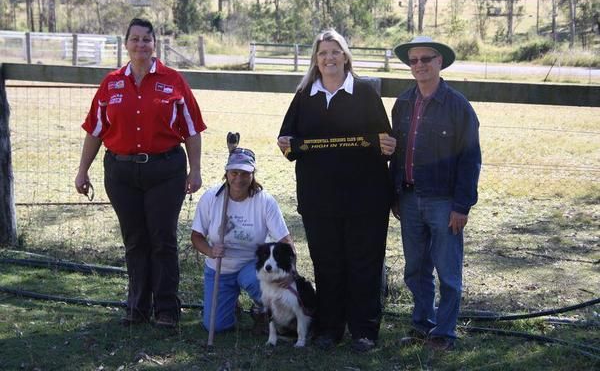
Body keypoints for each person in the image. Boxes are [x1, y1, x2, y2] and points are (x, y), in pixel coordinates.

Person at [74, 18, 206, 328]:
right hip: (121, 173)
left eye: (146, 39)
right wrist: (83, 170)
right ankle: (137, 307)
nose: (140, 44)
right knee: (134, 240)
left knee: (162, 239)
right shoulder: (111, 84)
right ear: (126, 44)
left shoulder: (174, 81)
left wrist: (195, 170)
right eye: (134, 39)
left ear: (154, 44)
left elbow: (192, 130)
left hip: (165, 171)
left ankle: (167, 310)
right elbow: (95, 130)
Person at [277, 29, 396, 353]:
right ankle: (330, 329)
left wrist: (389, 145)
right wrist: (285, 143)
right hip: (319, 200)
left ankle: (364, 330)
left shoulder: (365, 93)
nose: (329, 58)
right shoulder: (304, 95)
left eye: (335, 51)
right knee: (327, 263)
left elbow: (386, 144)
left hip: (366, 199)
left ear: (345, 56)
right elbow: (288, 140)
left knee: (364, 264)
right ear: (316, 60)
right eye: (323, 53)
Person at [390, 36, 481, 351]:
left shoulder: (458, 106)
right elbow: (396, 153)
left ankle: (444, 333)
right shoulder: (403, 103)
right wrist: (394, 195)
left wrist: (462, 205)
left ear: (440, 62)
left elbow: (470, 159)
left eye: (426, 59)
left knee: (448, 271)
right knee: (415, 269)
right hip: (409, 198)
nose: (419, 65)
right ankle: (422, 325)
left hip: (444, 201)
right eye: (413, 60)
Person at [190, 148, 294, 332]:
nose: (239, 178)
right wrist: (210, 251)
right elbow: (196, 237)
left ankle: (263, 310)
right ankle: (231, 305)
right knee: (216, 326)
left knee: (251, 279)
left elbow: (285, 240)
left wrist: (290, 270)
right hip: (220, 268)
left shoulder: (265, 201)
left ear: (253, 175)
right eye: (234, 173)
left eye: (245, 173)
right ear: (226, 173)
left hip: (254, 265)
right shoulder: (211, 198)